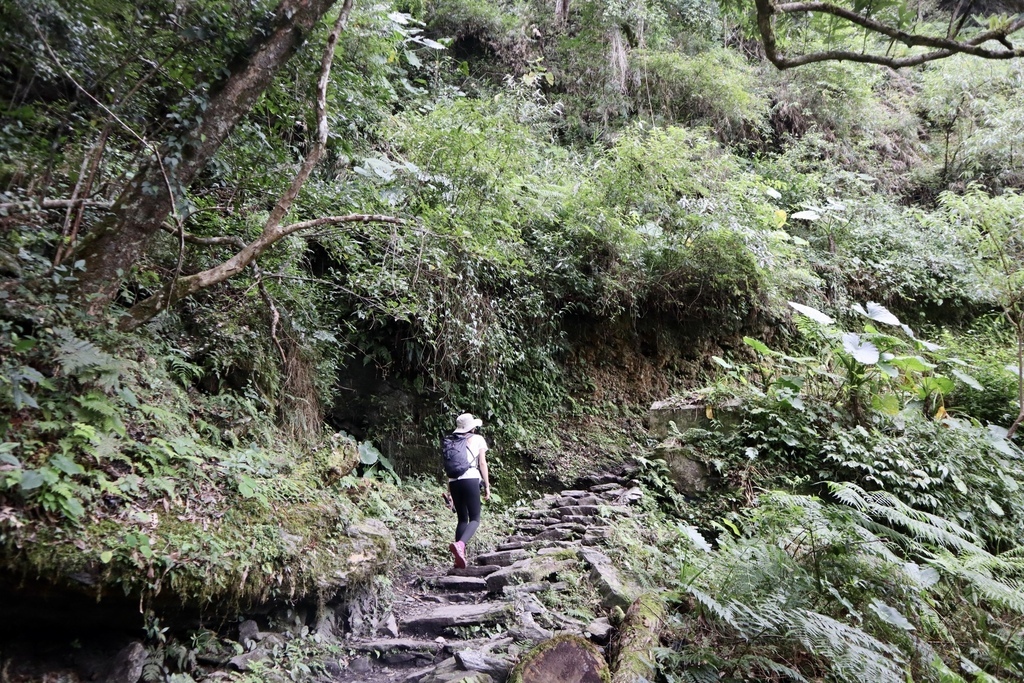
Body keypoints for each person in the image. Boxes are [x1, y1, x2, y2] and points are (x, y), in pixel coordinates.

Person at [447, 412, 491, 569]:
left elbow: (451, 467)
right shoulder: (478, 439)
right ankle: (460, 545)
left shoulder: (451, 441)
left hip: (454, 482)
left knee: (461, 519)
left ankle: (458, 559)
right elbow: (483, 464)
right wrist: (487, 485)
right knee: (475, 519)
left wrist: (450, 492)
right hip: (471, 478)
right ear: (472, 427)